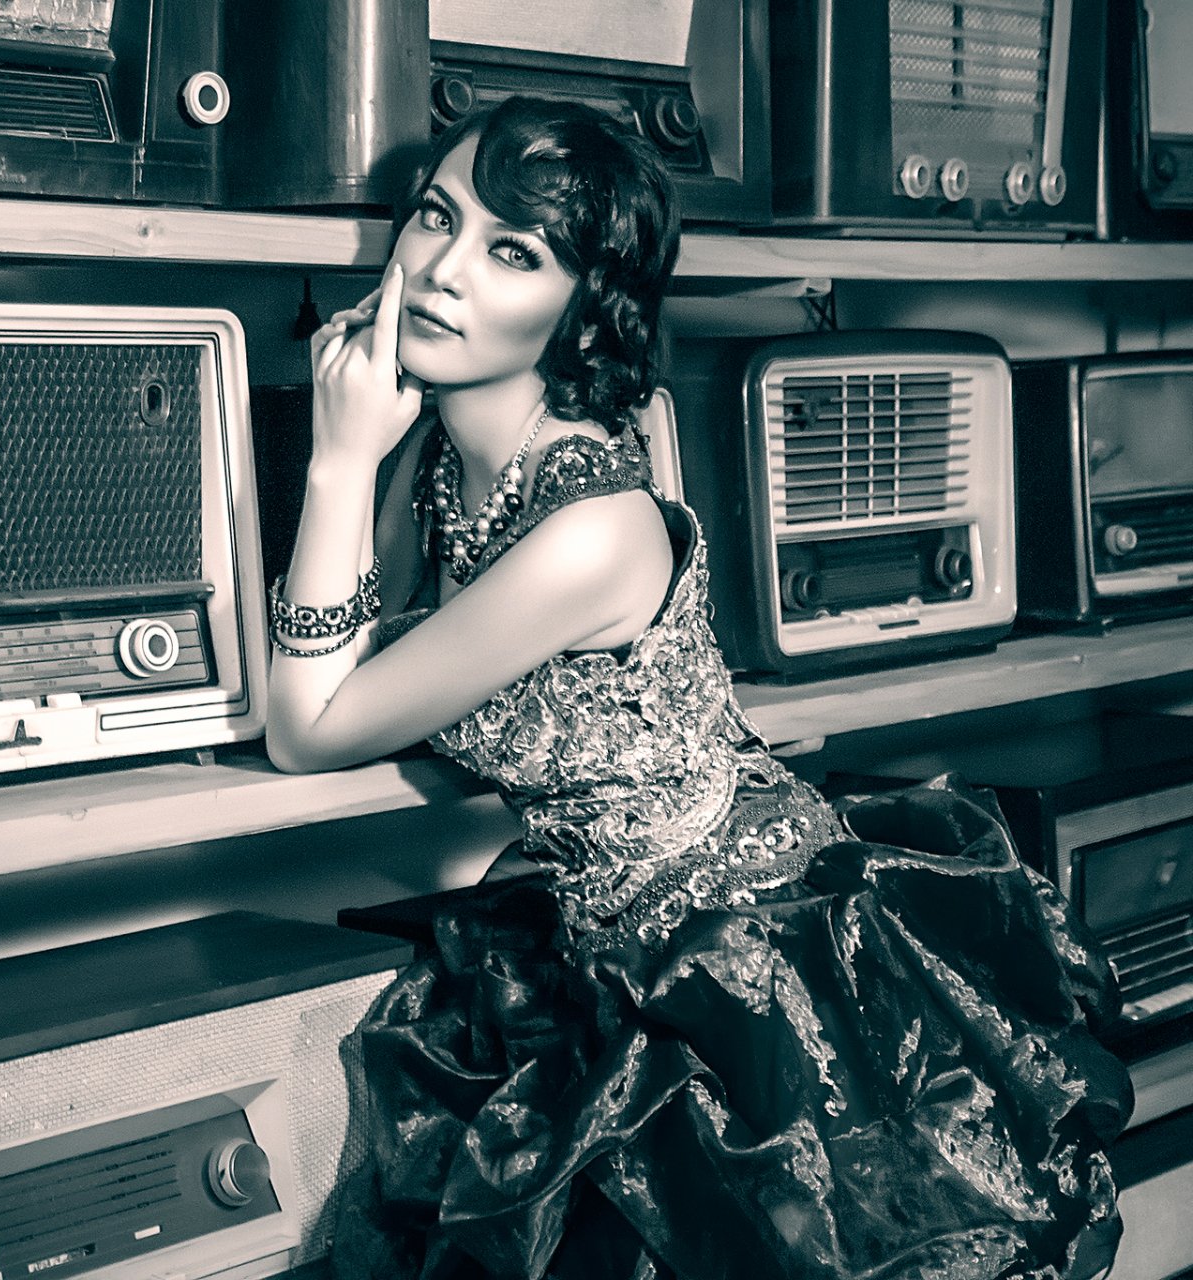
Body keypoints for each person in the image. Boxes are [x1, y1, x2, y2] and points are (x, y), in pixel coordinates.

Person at [265, 96, 1133, 1280]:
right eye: (435, 216)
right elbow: (358, 666)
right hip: (616, 948)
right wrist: (374, 456)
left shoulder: (593, 528)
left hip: (747, 964)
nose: (440, 271)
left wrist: (336, 453)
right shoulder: (449, 464)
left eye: (511, 253)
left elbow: (309, 725)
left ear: (582, 309)